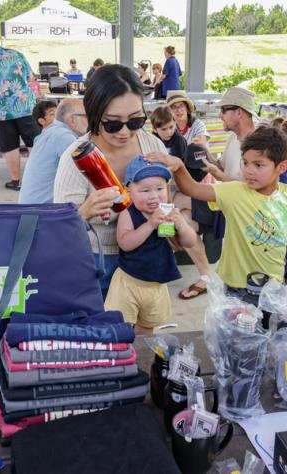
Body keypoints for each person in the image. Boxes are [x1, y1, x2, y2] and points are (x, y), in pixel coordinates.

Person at [145, 126, 287, 292]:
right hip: (236, 287)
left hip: (273, 284)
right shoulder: (234, 191)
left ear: (281, 167)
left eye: (258, 165)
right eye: (245, 163)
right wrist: (179, 166)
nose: (249, 171)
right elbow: (192, 189)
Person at [53, 64, 168, 299]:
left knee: (142, 330)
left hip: (146, 255)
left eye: (135, 121)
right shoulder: (77, 158)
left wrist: (171, 233)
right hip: (98, 260)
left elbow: (168, 197)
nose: (125, 132)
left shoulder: (152, 146)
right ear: (95, 115)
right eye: (113, 124)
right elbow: (59, 225)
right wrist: (85, 211)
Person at [104, 156, 197, 335]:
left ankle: (142, 352)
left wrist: (182, 225)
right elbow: (125, 243)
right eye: (145, 190)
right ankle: (123, 353)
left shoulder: (169, 212)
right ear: (128, 190)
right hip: (128, 283)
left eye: (160, 188)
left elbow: (190, 242)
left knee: (147, 327)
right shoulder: (128, 213)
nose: (154, 196)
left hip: (156, 285)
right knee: (119, 325)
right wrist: (150, 225)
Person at [0, 32, 40, 191]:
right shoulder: (17, 54)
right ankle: (38, 181)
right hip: (25, 108)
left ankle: (16, 182)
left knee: (10, 146)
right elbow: (31, 78)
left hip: (2, 112)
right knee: (33, 143)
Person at [164, 91, 213, 299]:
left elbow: (200, 145)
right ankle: (207, 277)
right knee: (180, 219)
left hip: (201, 189)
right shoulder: (166, 134)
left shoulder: (197, 126)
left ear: (187, 108)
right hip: (181, 191)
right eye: (173, 108)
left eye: (181, 106)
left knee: (171, 206)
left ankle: (171, 248)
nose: (178, 110)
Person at [20, 99, 87, 205]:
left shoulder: (49, 133)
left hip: (32, 208)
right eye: (86, 116)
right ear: (72, 120)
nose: (89, 120)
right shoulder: (63, 136)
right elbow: (85, 171)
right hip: (43, 213)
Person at [203, 86, 257, 182]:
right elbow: (222, 168)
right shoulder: (233, 137)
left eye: (223, 110)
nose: (220, 115)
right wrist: (204, 151)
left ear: (239, 112)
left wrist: (221, 177)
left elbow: (251, 191)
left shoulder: (259, 145)